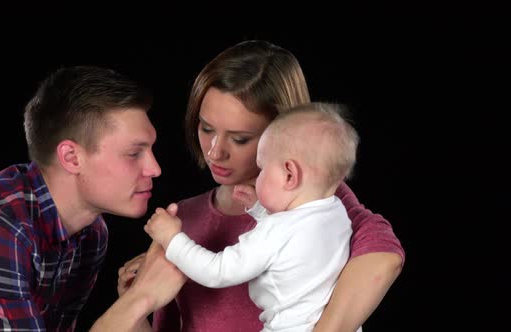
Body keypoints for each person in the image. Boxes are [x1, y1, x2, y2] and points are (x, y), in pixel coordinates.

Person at [118, 40, 405, 332]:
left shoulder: (321, 201)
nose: (215, 152)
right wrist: (135, 308)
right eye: (206, 128)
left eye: (240, 138)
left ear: (284, 131)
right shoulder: (184, 218)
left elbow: (385, 259)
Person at [0, 65, 185, 332]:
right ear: (71, 157)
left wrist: (133, 305)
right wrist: (140, 299)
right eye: (133, 153)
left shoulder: (91, 234)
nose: (155, 168)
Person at [145, 103, 361, 331]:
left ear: (289, 175)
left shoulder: (275, 232)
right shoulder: (337, 213)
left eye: (263, 169)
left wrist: (172, 239)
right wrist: (260, 209)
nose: (257, 178)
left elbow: (217, 271)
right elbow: (296, 247)